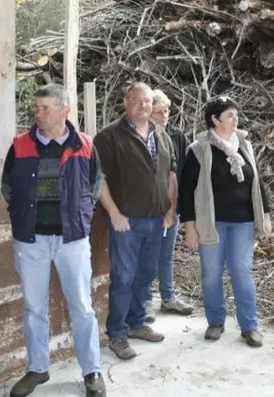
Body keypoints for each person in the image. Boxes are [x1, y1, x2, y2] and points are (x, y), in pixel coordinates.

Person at [1, 84, 105, 397]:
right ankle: (37, 368)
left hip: (71, 239)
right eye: (37, 108)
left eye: (46, 108)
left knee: (82, 306)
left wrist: (80, 216)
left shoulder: (85, 144)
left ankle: (92, 370)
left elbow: (95, 186)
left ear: (65, 110)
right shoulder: (20, 145)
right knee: (34, 307)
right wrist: (23, 215)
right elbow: (7, 187)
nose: (39, 114)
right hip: (31, 240)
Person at [94, 82, 177, 360]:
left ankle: (137, 323)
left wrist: (170, 208)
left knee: (146, 273)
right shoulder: (109, 137)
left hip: (156, 219)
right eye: (137, 101)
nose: (144, 105)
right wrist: (114, 213)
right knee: (124, 277)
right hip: (127, 223)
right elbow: (99, 179)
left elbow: (170, 176)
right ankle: (117, 334)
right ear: (126, 103)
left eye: (148, 101)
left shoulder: (162, 135)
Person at [179, 96, 271, 347]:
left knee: (242, 272)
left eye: (236, 114)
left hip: (243, 222)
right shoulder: (200, 149)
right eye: (229, 115)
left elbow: (257, 180)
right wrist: (189, 226)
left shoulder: (243, 144)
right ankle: (216, 321)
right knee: (211, 274)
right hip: (212, 223)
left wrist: (266, 213)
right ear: (215, 119)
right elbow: (186, 191)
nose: (235, 118)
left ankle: (250, 326)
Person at [142, 89, 194, 321]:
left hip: (172, 205)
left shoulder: (177, 135)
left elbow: (183, 173)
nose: (164, 116)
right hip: (147, 208)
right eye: (158, 112)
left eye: (166, 112)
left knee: (166, 255)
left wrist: (180, 207)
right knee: (147, 255)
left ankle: (168, 297)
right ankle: (144, 300)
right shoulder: (141, 135)